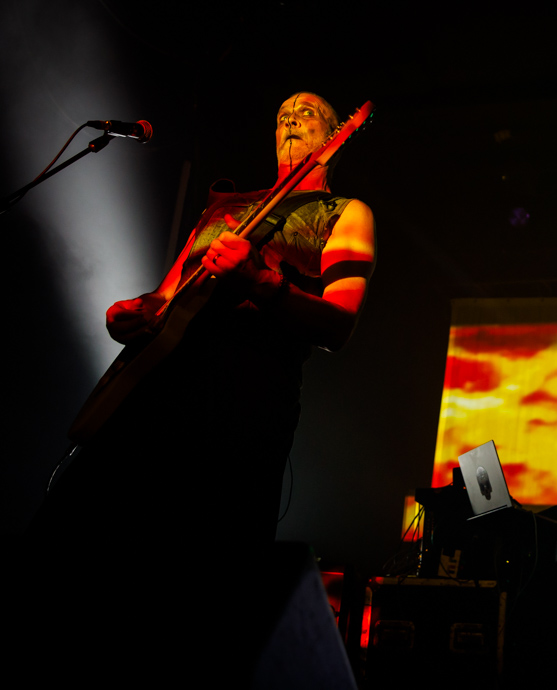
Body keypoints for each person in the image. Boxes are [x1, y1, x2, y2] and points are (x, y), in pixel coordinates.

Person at [14, 93, 374, 682]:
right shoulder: (225, 209)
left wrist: (261, 281)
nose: (290, 118)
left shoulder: (345, 213)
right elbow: (167, 295)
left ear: (338, 132)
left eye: (307, 112)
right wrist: (131, 311)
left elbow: (340, 325)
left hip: (243, 405)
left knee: (204, 583)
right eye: (281, 112)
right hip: (157, 395)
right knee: (80, 543)